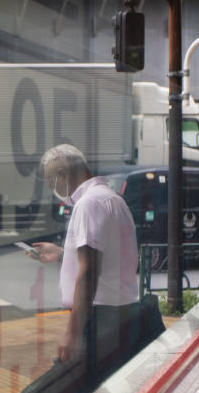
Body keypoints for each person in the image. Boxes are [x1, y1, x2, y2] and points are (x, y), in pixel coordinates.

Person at [29, 144, 140, 374]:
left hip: (98, 320)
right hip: (119, 315)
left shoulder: (88, 204)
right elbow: (112, 257)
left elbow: (89, 272)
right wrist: (62, 254)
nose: (53, 188)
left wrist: (73, 333)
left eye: (51, 182)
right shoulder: (114, 200)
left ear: (62, 175)